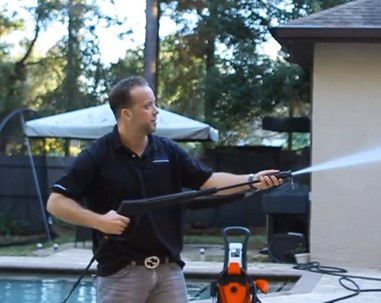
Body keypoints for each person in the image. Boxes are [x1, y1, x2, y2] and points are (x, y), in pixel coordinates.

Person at [46, 76, 284, 303]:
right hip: (120, 275)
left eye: (154, 104)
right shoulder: (97, 155)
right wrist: (99, 221)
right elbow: (56, 202)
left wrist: (252, 180)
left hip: (169, 271)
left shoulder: (167, 150)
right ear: (126, 113)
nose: (156, 110)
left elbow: (208, 180)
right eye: (148, 105)